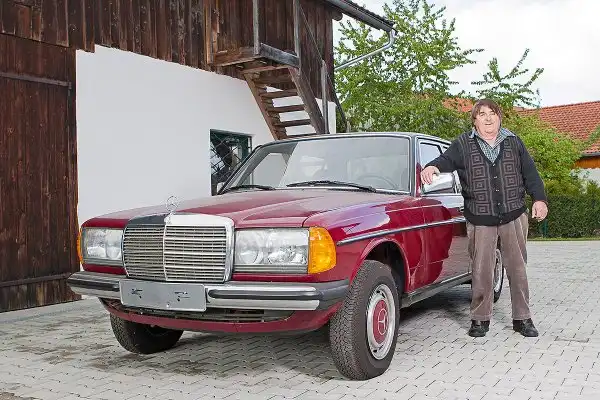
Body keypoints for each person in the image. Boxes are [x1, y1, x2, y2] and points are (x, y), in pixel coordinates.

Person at [421, 99, 548, 338]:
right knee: (481, 269)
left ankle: (523, 318)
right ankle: (480, 319)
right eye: (482, 114)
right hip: (480, 217)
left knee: (517, 268)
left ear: (499, 117)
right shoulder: (462, 144)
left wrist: (539, 199)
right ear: (475, 120)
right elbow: (445, 161)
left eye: (492, 113)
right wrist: (432, 167)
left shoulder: (514, 141)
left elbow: (530, 173)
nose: (488, 118)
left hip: (513, 214)